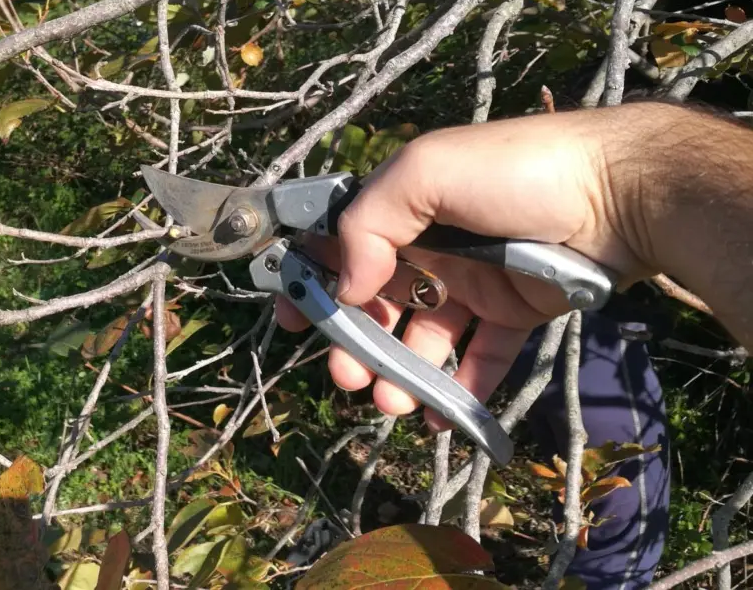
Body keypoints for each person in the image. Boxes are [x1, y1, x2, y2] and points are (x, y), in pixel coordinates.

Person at [274, 100, 753, 588]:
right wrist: (618, 177)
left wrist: (617, 177)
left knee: (619, 474)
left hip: (579, 330)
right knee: (611, 468)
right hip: (541, 319)